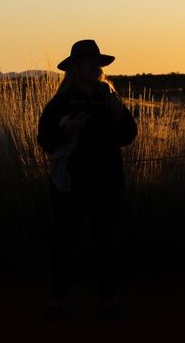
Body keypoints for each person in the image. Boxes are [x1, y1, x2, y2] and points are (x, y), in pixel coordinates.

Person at [37, 39, 137, 319]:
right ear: (76, 68)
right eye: (89, 63)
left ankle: (108, 300)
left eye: (97, 63)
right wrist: (66, 133)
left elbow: (129, 135)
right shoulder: (61, 103)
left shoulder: (109, 98)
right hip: (71, 182)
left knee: (106, 241)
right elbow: (45, 139)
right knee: (65, 240)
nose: (95, 67)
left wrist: (120, 115)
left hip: (106, 180)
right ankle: (58, 299)